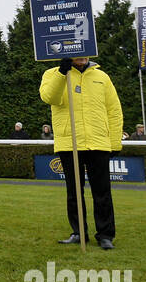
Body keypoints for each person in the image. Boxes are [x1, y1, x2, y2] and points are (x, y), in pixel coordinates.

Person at [41, 57, 123, 249]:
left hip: (99, 142)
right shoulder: (52, 74)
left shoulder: (102, 77)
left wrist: (115, 142)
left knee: (102, 192)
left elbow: (114, 110)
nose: (82, 56)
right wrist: (62, 73)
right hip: (69, 142)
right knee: (74, 192)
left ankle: (105, 235)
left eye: (85, 52)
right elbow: (49, 98)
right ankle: (79, 232)